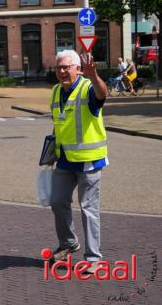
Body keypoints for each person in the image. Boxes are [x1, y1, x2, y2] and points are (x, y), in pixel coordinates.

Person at [49, 50, 108, 275]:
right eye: (59, 68)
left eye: (66, 67)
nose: (62, 71)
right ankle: (69, 243)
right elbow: (59, 124)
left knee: (88, 209)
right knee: (57, 201)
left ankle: (93, 258)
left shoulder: (87, 88)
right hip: (64, 160)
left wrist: (94, 76)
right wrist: (51, 150)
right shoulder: (55, 91)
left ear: (78, 69)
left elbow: (103, 94)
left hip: (89, 162)